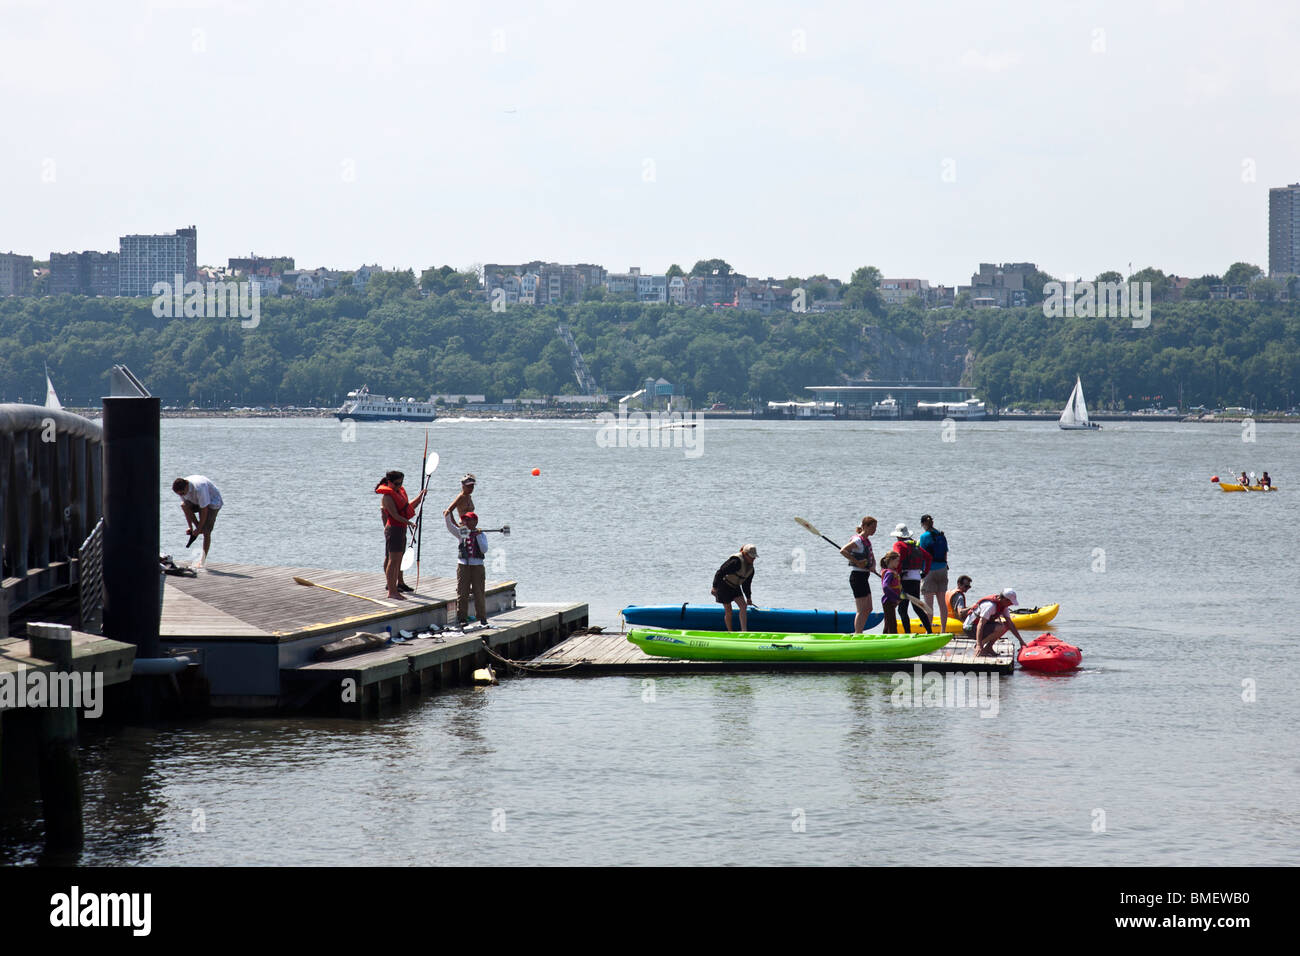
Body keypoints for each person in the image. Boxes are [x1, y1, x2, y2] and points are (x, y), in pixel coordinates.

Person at [376, 471, 425, 599]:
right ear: (389, 482)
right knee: (393, 560)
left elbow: (406, 508)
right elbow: (395, 515)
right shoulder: (387, 497)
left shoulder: (398, 493)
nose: (399, 486)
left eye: (401, 483)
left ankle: (396, 586)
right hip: (394, 529)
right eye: (397, 483)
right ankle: (392, 591)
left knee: (397, 559)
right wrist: (410, 522)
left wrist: (419, 499)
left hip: (400, 529)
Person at [446, 510, 489, 626]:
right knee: (462, 592)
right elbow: (450, 527)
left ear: (475, 521)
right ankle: (462, 618)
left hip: (478, 566)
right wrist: (447, 515)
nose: (465, 522)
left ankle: (481, 617)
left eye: (468, 519)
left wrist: (478, 536)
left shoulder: (482, 534)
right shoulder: (462, 532)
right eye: (465, 520)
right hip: (463, 566)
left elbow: (484, 549)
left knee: (479, 592)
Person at [172, 475, 223, 569]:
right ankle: (198, 529)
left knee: (206, 532)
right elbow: (186, 507)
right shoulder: (181, 490)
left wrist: (199, 528)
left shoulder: (200, 488)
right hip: (197, 501)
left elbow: (204, 509)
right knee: (183, 505)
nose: (182, 495)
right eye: (179, 494)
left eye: (183, 493)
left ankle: (202, 561)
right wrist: (190, 527)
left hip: (213, 503)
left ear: (187, 485)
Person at [890, 523, 933, 634]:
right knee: (917, 606)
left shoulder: (898, 545)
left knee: (902, 609)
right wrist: (925, 572)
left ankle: (908, 633)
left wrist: (897, 575)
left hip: (904, 580)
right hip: (916, 579)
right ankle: (929, 631)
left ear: (898, 535)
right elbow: (928, 557)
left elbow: (898, 559)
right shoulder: (914, 544)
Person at [963, 588, 1027, 657]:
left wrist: (1021, 641)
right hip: (969, 627)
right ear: (1005, 599)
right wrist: (979, 644)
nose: (1011, 605)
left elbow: (1010, 624)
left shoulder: (1003, 606)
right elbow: (980, 625)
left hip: (980, 626)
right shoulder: (990, 606)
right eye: (1010, 602)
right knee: (1000, 627)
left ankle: (988, 648)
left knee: (1006, 625)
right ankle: (979, 647)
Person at [840, 516, 877, 633]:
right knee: (861, 609)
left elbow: (872, 556)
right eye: (872, 527)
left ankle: (860, 631)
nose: (874, 530)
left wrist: (873, 566)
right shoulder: (857, 540)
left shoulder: (867, 541)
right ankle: (857, 633)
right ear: (865, 527)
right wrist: (857, 562)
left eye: (875, 527)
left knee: (869, 608)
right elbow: (843, 550)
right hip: (857, 577)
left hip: (864, 577)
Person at [711, 544, 758, 632]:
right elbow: (720, 572)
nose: (753, 559)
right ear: (745, 554)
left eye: (754, 557)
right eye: (751, 557)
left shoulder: (751, 569)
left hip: (735, 587)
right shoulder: (735, 562)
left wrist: (748, 598)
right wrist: (714, 587)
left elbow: (746, 584)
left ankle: (744, 631)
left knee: (743, 606)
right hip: (724, 586)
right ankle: (730, 631)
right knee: (729, 611)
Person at [917, 514, 950, 630]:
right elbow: (945, 553)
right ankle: (943, 630)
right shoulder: (941, 535)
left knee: (928, 604)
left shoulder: (923, 537)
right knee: (942, 603)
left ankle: (928, 630)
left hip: (929, 571)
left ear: (922, 524)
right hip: (942, 569)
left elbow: (921, 555)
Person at [879, 552, 902, 634]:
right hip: (888, 601)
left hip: (892, 601)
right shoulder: (889, 573)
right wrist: (896, 598)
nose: (898, 563)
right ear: (891, 561)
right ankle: (893, 638)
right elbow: (885, 586)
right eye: (897, 561)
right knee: (892, 623)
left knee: (888, 622)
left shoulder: (893, 572)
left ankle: (884, 637)